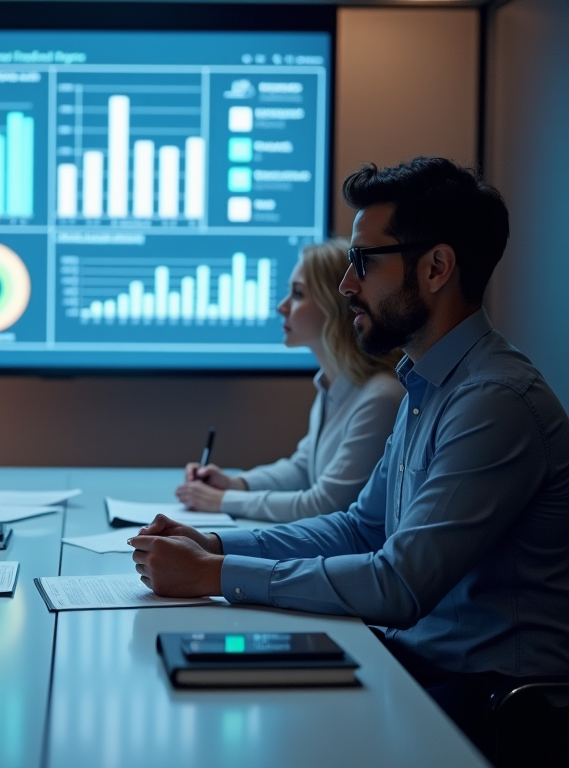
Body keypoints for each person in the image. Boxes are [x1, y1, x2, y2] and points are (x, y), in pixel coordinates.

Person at [130, 157, 569, 750]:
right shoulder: (429, 384)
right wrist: (212, 543)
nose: (347, 285)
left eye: (363, 262)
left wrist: (215, 573)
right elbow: (360, 527)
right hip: (418, 665)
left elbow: (399, 585)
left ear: (437, 267)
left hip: (488, 700)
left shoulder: (494, 400)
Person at [175, 240, 405, 521]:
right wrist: (235, 484)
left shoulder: (380, 398)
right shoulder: (333, 385)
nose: (282, 306)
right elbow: (303, 468)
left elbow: (325, 504)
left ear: (334, 305)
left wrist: (223, 501)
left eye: (298, 294)